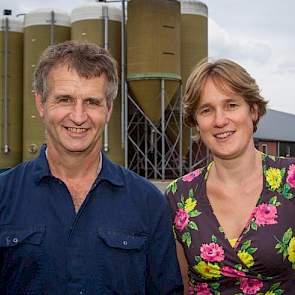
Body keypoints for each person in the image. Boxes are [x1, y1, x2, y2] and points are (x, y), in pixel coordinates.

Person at [0, 41, 183, 294]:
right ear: (41, 104)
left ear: (108, 110)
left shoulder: (148, 202)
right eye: (64, 99)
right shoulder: (4, 195)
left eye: (92, 102)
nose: (78, 116)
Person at [165, 58, 295, 294]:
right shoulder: (179, 196)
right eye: (206, 110)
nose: (220, 120)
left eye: (231, 105)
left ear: (253, 110)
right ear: (196, 122)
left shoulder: (291, 180)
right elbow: (180, 285)